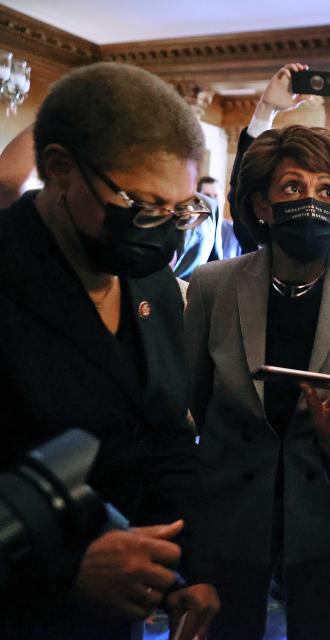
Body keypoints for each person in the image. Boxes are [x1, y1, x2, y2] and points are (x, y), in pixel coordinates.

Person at [0, 62, 219, 640]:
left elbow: (166, 432)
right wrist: (61, 569)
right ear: (61, 170)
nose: (167, 233)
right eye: (144, 207)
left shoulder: (151, 282)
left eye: (182, 210)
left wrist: (188, 563)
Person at [185, 122, 330, 640]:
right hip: (228, 512)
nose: (312, 201)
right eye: (293, 187)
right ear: (262, 207)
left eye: (327, 191)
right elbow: (186, 407)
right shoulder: (213, 286)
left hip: (328, 514)